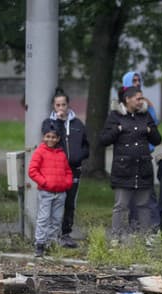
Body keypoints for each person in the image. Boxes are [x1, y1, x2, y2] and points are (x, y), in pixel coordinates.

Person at [99, 86, 162, 239]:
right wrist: (118, 129)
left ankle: (145, 237)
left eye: (142, 98)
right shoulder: (115, 116)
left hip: (143, 169)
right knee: (121, 206)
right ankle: (116, 238)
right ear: (128, 99)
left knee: (143, 205)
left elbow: (157, 139)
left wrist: (149, 131)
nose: (142, 101)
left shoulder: (145, 116)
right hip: (123, 170)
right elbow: (104, 140)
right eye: (138, 98)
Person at [120, 71, 162, 229]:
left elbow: (153, 125)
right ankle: (135, 223)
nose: (137, 83)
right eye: (134, 80)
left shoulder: (145, 104)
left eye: (139, 80)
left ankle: (155, 224)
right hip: (126, 157)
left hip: (144, 155)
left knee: (147, 192)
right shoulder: (120, 107)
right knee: (130, 194)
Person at [49, 89, 89, 248]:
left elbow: (86, 145)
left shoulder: (77, 124)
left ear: (68, 105)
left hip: (73, 170)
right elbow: (49, 141)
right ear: (53, 106)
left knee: (70, 202)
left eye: (63, 104)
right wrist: (58, 122)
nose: (61, 108)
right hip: (56, 171)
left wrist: (80, 156)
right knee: (55, 202)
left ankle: (65, 233)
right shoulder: (50, 123)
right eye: (58, 105)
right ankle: (53, 234)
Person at [28, 120, 73, 257]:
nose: (50, 139)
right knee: (43, 218)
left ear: (58, 138)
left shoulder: (61, 154)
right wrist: (45, 182)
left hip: (60, 193)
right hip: (46, 192)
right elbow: (32, 170)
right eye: (48, 136)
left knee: (56, 219)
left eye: (53, 137)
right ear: (43, 137)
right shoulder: (39, 152)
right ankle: (40, 244)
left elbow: (68, 171)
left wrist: (67, 183)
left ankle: (51, 243)